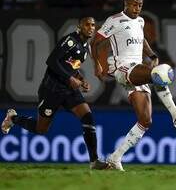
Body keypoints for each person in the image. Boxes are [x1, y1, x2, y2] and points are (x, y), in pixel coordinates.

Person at [91, 0, 176, 171]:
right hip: (122, 68)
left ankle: (115, 158)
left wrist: (152, 53)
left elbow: (142, 40)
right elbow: (95, 42)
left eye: (140, 5)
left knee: (145, 120)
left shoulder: (140, 21)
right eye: (133, 4)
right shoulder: (114, 20)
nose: (137, 8)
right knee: (158, 73)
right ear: (125, 2)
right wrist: (97, 65)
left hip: (137, 70)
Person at [1, 17, 107, 170]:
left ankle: (94, 161)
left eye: (93, 25)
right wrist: (70, 78)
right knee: (41, 129)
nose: (91, 28)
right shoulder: (70, 41)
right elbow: (52, 61)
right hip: (52, 89)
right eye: (87, 25)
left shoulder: (85, 47)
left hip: (69, 90)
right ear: (80, 26)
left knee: (88, 117)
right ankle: (13, 118)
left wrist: (81, 80)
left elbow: (71, 65)